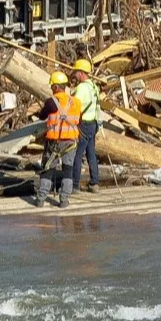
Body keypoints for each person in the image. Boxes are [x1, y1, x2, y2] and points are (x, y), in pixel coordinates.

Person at [34, 71, 81, 208]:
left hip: (54, 142)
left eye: (52, 87)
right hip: (71, 142)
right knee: (68, 170)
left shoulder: (52, 102)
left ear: (55, 87)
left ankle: (41, 198)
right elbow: (79, 120)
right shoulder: (76, 102)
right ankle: (64, 200)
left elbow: (42, 116)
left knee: (48, 169)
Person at [69, 57, 101, 193]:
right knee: (91, 154)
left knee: (77, 154)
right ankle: (94, 183)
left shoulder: (81, 88)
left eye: (76, 72)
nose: (74, 74)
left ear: (81, 73)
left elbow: (75, 107)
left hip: (83, 125)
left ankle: (75, 185)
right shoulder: (94, 87)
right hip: (93, 124)